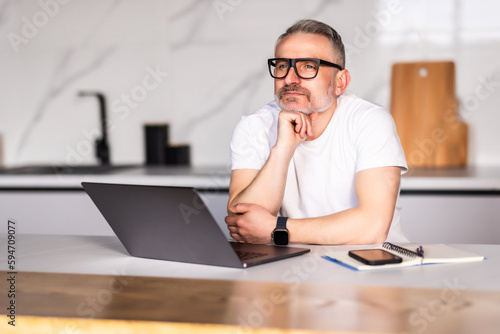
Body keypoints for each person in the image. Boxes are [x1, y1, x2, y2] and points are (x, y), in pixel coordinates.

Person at [225, 19, 408, 245]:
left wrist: (277, 229)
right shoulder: (254, 126)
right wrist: (282, 150)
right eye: (283, 65)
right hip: (290, 268)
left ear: (340, 82)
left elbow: (372, 228)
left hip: (371, 267)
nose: (290, 79)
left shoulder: (370, 121)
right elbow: (243, 224)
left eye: (308, 66)